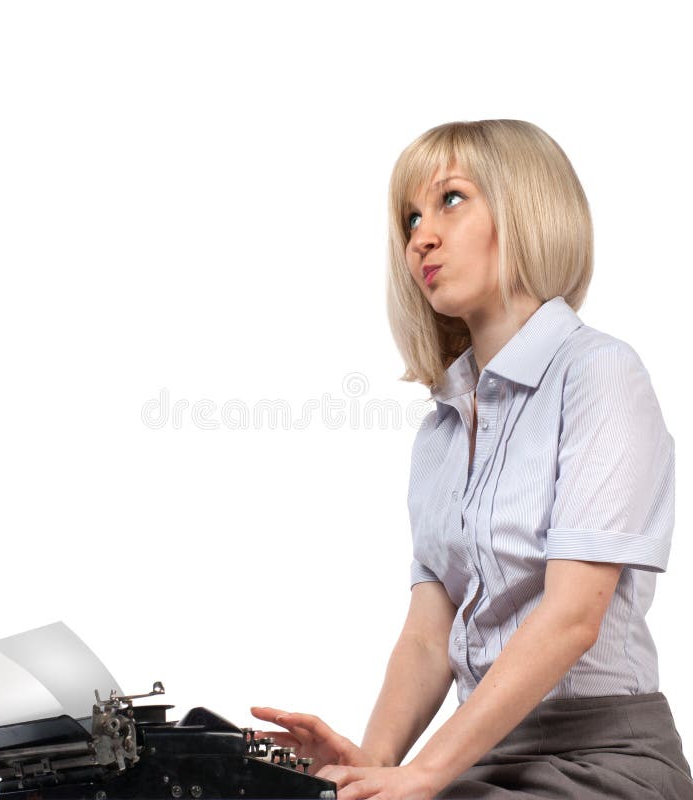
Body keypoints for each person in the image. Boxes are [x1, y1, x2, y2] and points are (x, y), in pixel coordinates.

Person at [251, 120, 693, 799]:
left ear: (526, 208)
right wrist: (370, 766)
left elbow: (573, 617)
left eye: (450, 200)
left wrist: (426, 771)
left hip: (605, 759)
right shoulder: (440, 434)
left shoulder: (600, 373)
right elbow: (429, 638)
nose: (420, 237)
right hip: (480, 758)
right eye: (411, 216)